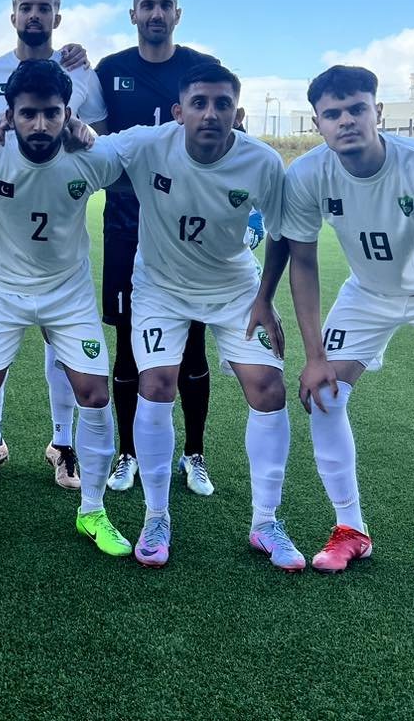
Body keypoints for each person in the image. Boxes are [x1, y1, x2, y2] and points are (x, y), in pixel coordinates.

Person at [283, 65, 414, 597]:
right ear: (318, 123)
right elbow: (302, 265)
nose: (346, 121)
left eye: (356, 108)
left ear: (377, 112)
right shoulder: (309, 175)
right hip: (369, 293)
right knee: (323, 393)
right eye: (332, 114)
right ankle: (350, 527)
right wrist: (313, 355)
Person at [108, 62, 301, 572]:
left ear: (237, 114)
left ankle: (266, 522)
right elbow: (91, 146)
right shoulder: (148, 143)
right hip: (161, 287)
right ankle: (155, 515)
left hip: (235, 286)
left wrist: (264, 299)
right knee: (156, 385)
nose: (210, 114)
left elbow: (281, 234)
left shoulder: (262, 162)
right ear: (179, 112)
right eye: (199, 103)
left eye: (222, 105)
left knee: (268, 389)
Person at [0, 60, 129, 556]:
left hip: (68, 295)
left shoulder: (91, 156)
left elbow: (148, 152)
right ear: (9, 114)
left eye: (51, 113)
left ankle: (93, 510)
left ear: (68, 112)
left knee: (94, 394)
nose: (40, 125)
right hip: (3, 291)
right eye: (28, 114)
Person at [0, 0, 106, 488]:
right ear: (12, 13)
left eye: (45, 8)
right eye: (26, 7)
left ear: (57, 16)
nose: (35, 15)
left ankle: (63, 443)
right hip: (2, 223)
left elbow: (94, 135)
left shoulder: (80, 72)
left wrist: (86, 133)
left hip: (59, 228)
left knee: (59, 345)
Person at [94, 0, 220, 496]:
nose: (156, 13)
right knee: (127, 343)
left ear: (177, 13)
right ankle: (126, 452)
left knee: (191, 344)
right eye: (147, 5)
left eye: (165, 5)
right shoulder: (109, 70)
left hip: (185, 228)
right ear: (132, 14)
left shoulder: (198, 68)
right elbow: (97, 145)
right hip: (126, 222)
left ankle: (194, 453)